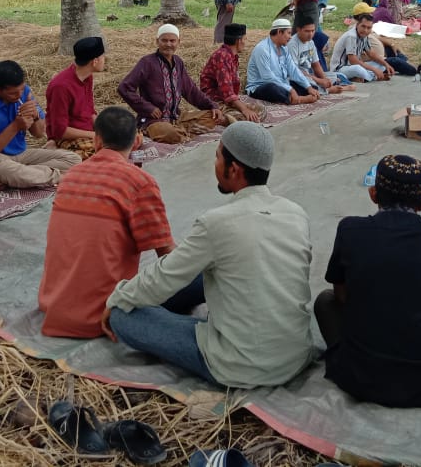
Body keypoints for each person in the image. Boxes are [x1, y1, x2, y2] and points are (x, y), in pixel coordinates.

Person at [102, 122, 315, 388]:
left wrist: (116, 299)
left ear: (234, 169)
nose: (214, 163)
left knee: (123, 315)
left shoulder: (217, 223)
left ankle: (183, 327)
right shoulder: (296, 213)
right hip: (294, 356)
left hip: (240, 366)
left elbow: (163, 276)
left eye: (217, 156)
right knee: (205, 274)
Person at [315, 154, 421, 408]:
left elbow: (341, 297)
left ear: (373, 193)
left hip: (359, 379)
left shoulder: (350, 230)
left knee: (324, 301)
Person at [38, 106, 176, 338]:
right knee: (193, 276)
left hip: (51, 305)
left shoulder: (69, 177)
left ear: (96, 140)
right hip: (104, 315)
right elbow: (167, 255)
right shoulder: (140, 182)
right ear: (136, 141)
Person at [0, 60, 79, 189]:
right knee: (7, 170)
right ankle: (60, 177)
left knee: (73, 159)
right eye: (13, 93)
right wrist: (15, 127)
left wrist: (35, 117)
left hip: (19, 155)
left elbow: (39, 133)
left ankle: (26, 176)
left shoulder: (24, 92)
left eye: (22, 89)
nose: (19, 95)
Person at [118, 24, 223, 144]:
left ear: (178, 42)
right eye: (164, 40)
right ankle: (178, 133)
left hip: (176, 118)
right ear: (157, 41)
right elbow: (124, 88)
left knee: (213, 117)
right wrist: (147, 108)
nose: (168, 44)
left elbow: (191, 91)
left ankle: (180, 131)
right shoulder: (147, 62)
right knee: (169, 133)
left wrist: (212, 106)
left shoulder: (178, 62)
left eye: (172, 41)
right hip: (153, 120)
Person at [45, 36, 106, 159]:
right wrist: (94, 135)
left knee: (127, 138)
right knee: (102, 157)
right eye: (103, 56)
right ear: (94, 61)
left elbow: (89, 111)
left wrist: (105, 129)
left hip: (88, 133)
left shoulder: (87, 77)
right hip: (70, 138)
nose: (105, 59)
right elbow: (60, 131)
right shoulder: (61, 87)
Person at [199, 23, 265, 123]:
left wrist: (242, 107)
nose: (245, 42)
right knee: (244, 118)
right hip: (215, 101)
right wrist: (244, 109)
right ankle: (219, 118)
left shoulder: (232, 57)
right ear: (239, 41)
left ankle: (230, 116)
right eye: (245, 39)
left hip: (228, 101)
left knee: (261, 110)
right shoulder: (222, 57)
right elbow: (226, 91)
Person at [245, 18, 319, 105]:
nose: (290, 37)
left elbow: (294, 70)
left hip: (282, 83)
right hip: (261, 86)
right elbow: (267, 77)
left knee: (311, 87)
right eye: (288, 33)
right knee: (273, 89)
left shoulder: (284, 49)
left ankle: (294, 97)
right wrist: (290, 89)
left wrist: (308, 87)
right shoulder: (262, 49)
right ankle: (298, 99)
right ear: (279, 32)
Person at [286, 16, 353, 94]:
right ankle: (328, 90)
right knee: (307, 84)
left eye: (312, 31)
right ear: (298, 30)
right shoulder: (292, 45)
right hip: (295, 77)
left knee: (339, 76)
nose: (310, 34)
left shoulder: (310, 42)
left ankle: (328, 87)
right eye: (307, 31)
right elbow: (295, 71)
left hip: (309, 75)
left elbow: (316, 65)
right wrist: (319, 81)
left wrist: (325, 80)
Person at [330, 12, 391, 82]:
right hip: (340, 69)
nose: (365, 30)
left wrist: (386, 64)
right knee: (357, 69)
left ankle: (363, 77)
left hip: (353, 66)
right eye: (363, 26)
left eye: (369, 28)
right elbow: (353, 61)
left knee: (381, 65)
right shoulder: (351, 36)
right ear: (357, 25)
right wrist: (374, 70)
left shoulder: (364, 35)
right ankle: (374, 77)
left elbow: (371, 53)